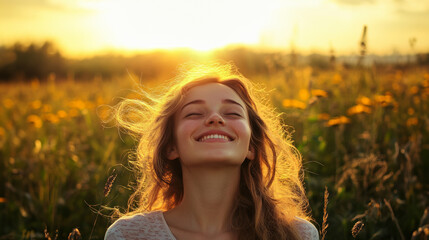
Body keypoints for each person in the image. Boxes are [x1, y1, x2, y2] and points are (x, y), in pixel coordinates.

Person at [104, 64, 319, 240]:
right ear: (171, 146)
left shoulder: (299, 234)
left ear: (251, 147)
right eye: (194, 113)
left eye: (232, 112)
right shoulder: (127, 235)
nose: (215, 118)